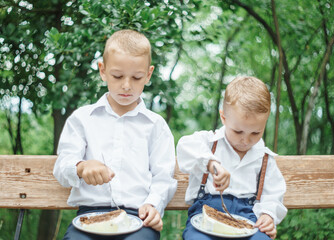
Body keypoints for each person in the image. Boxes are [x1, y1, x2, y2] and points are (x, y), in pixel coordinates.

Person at [54, 29, 177, 240]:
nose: (126, 86)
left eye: (137, 77)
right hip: (90, 217)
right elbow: (62, 167)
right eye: (117, 76)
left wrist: (153, 205)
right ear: (103, 71)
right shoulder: (82, 119)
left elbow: (163, 177)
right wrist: (81, 167)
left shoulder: (156, 126)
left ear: (148, 74)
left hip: (138, 218)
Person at [177, 76, 287, 240]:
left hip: (248, 218)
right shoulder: (209, 143)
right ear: (224, 118)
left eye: (255, 133)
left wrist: (268, 215)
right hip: (205, 215)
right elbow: (184, 146)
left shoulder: (264, 159)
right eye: (238, 131)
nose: (245, 140)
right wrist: (212, 164)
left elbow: (273, 195)